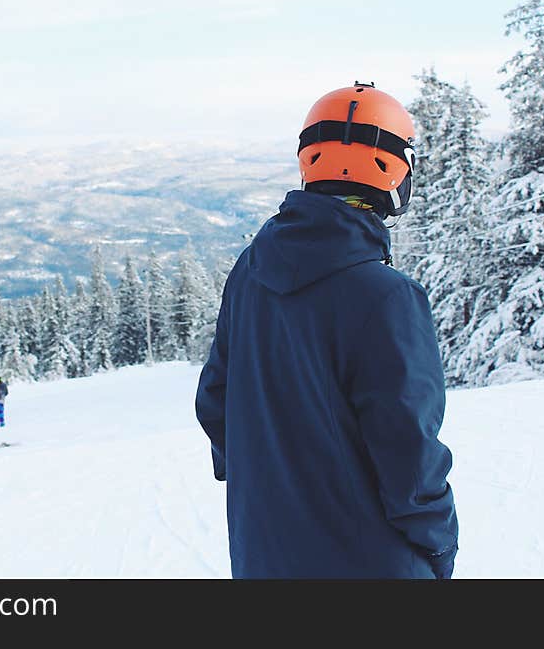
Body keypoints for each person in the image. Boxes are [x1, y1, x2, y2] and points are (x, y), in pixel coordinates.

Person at [195, 82, 458, 579]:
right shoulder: (387, 296)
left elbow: (215, 401)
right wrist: (440, 551)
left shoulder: (250, 271)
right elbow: (410, 456)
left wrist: (267, 485)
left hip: (262, 559)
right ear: (397, 171)